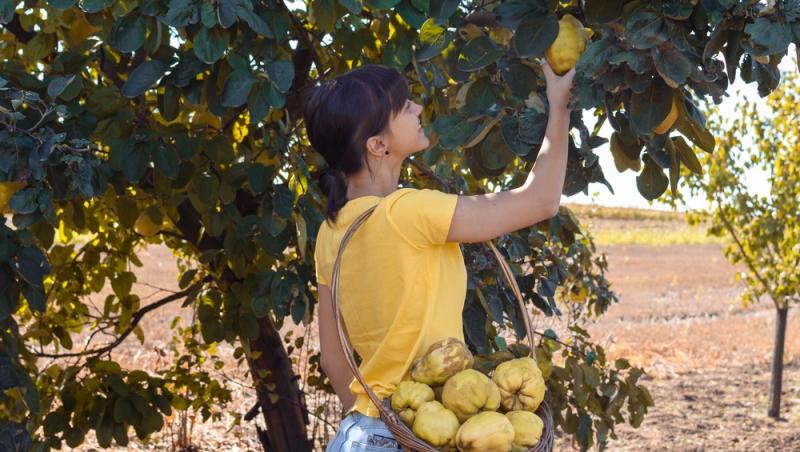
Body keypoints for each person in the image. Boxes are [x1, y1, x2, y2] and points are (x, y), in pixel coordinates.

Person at [303, 62, 575, 451]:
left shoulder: (331, 232)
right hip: (422, 433)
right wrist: (559, 104)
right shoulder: (408, 212)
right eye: (403, 106)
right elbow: (541, 200)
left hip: (359, 435)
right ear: (377, 144)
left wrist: (379, 425)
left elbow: (333, 357)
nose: (417, 108)